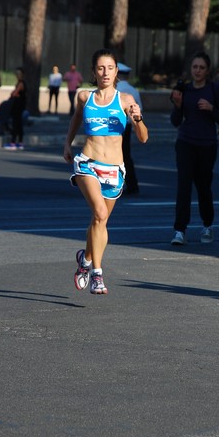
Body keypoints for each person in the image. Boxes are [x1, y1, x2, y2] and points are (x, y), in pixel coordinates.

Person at [63, 48, 148, 295]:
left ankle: (85, 261)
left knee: (100, 221)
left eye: (110, 68)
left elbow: (143, 138)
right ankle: (97, 274)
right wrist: (67, 142)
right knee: (99, 212)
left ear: (116, 71)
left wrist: (138, 118)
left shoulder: (125, 100)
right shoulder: (83, 96)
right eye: (101, 68)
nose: (105, 72)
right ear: (94, 71)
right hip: (87, 163)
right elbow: (76, 119)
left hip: (114, 169)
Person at [170, 51, 219, 246]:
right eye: (195, 67)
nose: (197, 70)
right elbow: (175, 121)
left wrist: (211, 108)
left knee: (204, 187)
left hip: (207, 144)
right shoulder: (184, 89)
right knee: (183, 187)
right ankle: (180, 230)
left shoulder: (215, 89)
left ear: (207, 70)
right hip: (186, 142)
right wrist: (178, 105)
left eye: (201, 67)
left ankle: (207, 225)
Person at [117, 62, 143, 194]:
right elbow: (139, 110)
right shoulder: (133, 90)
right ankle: (132, 184)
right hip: (127, 125)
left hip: (114, 126)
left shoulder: (114, 88)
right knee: (126, 155)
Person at [4, 67, 27, 150]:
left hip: (18, 106)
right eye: (16, 74)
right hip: (18, 105)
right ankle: (20, 142)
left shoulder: (21, 83)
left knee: (16, 124)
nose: (17, 75)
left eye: (19, 74)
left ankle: (13, 142)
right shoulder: (20, 83)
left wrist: (13, 93)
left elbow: (14, 93)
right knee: (19, 124)